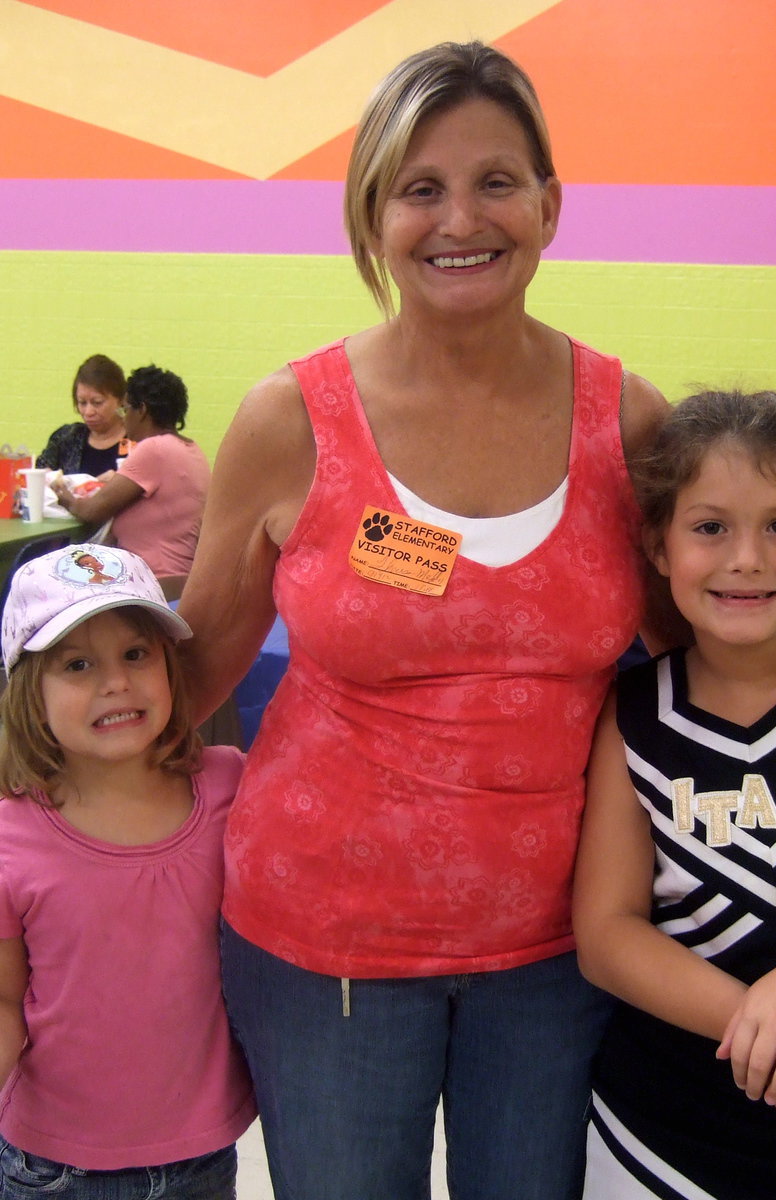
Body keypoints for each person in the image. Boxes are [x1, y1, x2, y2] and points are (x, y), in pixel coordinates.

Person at [177, 40, 670, 1200]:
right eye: (420, 188)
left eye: (497, 181)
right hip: (322, 948)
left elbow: (703, 662)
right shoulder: (288, 420)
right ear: (372, 213)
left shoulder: (629, 424)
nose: (462, 218)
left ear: (550, 204)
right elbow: (192, 670)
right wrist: (44, 792)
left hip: (559, 953)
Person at [573, 389, 776, 1199]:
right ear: (658, 544)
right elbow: (608, 933)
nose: (746, 558)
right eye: (710, 527)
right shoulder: (633, 710)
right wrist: (759, 1030)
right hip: (669, 1139)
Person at [0, 543, 255, 1197]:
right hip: (56, 1167)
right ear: (29, 691)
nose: (115, 682)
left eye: (136, 655)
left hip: (203, 1153)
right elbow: (5, 1000)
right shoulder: (10, 835)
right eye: (78, 664)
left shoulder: (232, 786)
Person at [51, 365, 211, 576]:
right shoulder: (191, 449)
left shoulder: (154, 449)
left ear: (142, 410)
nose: (124, 419)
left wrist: (62, 495)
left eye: (126, 410)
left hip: (153, 580)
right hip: (178, 580)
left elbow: (91, 511)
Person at [36, 353, 131, 477]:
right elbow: (40, 470)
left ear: (120, 400)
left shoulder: (139, 440)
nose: (88, 412)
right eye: (82, 403)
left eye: (97, 403)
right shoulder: (66, 438)